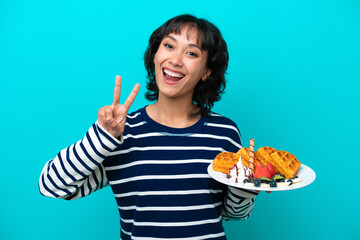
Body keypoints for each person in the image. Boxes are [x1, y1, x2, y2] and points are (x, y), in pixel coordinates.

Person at [39, 14, 258, 240]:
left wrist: (245, 192)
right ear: (155, 55)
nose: (175, 60)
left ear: (206, 71)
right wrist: (103, 137)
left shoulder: (224, 131)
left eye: (191, 53)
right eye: (169, 46)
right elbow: (52, 185)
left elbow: (235, 213)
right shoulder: (121, 131)